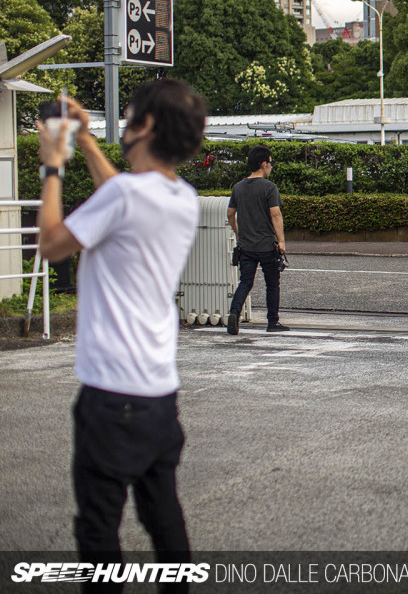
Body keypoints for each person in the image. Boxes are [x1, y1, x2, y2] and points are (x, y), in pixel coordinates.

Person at [36, 80, 207, 575]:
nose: (125, 126)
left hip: (110, 396)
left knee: (98, 526)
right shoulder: (182, 197)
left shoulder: (126, 196)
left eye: (129, 118)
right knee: (163, 515)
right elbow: (120, 193)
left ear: (146, 126)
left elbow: (51, 243)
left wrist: (53, 165)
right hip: (159, 395)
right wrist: (87, 140)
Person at [226, 145, 287, 334]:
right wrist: (281, 241)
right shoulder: (269, 187)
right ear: (263, 164)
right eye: (270, 163)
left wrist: (238, 234)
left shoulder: (238, 187)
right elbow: (275, 214)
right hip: (267, 245)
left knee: (245, 281)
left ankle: (234, 313)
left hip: (246, 246)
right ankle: (272, 322)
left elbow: (230, 214)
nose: (271, 166)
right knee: (272, 283)